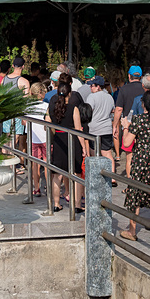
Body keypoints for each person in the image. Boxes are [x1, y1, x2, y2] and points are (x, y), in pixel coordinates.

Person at [119, 90, 150, 249]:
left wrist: (125, 127)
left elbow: (127, 143)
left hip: (141, 160)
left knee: (135, 194)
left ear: (144, 104)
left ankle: (132, 230)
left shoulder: (139, 120)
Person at [46, 82, 86, 213]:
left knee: (57, 175)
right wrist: (84, 147)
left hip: (58, 140)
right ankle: (77, 204)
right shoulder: (74, 108)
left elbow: (47, 124)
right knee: (76, 173)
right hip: (72, 140)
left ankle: (56, 204)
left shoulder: (52, 107)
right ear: (70, 93)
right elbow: (78, 129)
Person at [113, 65, 145, 177]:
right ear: (140, 77)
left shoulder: (124, 89)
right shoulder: (145, 88)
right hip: (144, 124)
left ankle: (130, 182)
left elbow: (118, 109)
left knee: (129, 157)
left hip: (129, 125)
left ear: (129, 76)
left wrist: (115, 125)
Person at [2, 57, 30, 172]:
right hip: (17, 114)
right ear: (23, 66)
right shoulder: (24, 81)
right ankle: (11, 167)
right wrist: (26, 117)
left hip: (6, 113)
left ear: (13, 66)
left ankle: (5, 164)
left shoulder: (4, 79)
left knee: (6, 139)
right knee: (15, 140)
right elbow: (26, 101)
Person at [86, 76, 116, 185]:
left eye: (92, 86)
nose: (90, 87)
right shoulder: (109, 97)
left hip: (94, 129)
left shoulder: (91, 97)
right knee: (107, 153)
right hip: (106, 128)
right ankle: (112, 177)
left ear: (98, 86)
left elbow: (88, 111)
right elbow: (113, 110)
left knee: (94, 153)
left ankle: (97, 176)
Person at [25, 82, 49, 197]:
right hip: (45, 137)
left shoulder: (28, 106)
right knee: (47, 163)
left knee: (35, 164)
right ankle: (49, 187)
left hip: (33, 137)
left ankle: (36, 188)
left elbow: (24, 122)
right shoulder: (46, 106)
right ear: (42, 93)